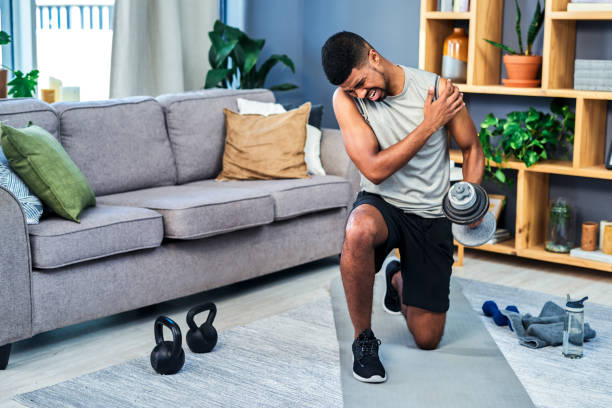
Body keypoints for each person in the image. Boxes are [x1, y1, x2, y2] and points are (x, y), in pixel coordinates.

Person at [321, 31, 484, 383]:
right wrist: (429, 124)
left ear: (374, 57)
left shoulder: (437, 90)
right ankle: (363, 340)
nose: (362, 94)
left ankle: (397, 278)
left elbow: (472, 148)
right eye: (354, 90)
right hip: (383, 204)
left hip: (430, 212)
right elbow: (375, 169)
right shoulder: (345, 99)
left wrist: (471, 200)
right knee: (357, 228)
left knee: (427, 339)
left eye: (362, 83)